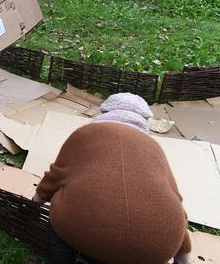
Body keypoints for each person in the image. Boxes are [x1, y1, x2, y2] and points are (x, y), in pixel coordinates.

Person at [32, 93, 191, 264]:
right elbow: (176, 202)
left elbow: (55, 176)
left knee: (66, 220)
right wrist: (183, 256)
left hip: (89, 232)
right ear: (144, 121)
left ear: (104, 112)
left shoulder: (84, 134)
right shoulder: (154, 147)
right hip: (157, 249)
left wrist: (35, 202)